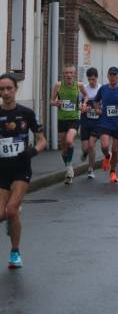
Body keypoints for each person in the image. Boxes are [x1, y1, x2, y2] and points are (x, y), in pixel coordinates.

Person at [0, 74, 47, 268]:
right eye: (2, 89)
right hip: (2, 169)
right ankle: (12, 215)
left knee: (10, 209)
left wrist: (31, 152)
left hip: (21, 169)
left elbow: (42, 140)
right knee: (3, 214)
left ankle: (14, 253)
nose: (5, 93)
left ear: (16, 89)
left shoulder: (26, 113)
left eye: (9, 88)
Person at [93, 67, 118, 183]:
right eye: (110, 75)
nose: (112, 77)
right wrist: (97, 109)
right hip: (105, 123)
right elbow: (95, 101)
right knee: (105, 146)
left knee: (115, 150)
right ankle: (106, 156)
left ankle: (113, 172)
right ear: (107, 76)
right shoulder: (103, 89)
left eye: (115, 75)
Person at [50, 65, 88, 185]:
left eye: (71, 73)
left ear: (74, 74)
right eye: (66, 73)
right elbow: (51, 101)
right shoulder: (58, 85)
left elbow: (86, 95)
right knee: (63, 150)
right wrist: (56, 103)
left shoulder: (79, 85)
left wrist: (83, 103)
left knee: (69, 140)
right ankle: (69, 168)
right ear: (63, 74)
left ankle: (69, 168)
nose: (68, 75)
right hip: (62, 120)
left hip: (74, 119)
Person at [80, 67, 101, 179]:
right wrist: (82, 108)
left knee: (91, 145)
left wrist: (99, 110)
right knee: (85, 148)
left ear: (97, 77)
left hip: (97, 122)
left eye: (93, 79)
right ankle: (85, 153)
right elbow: (79, 104)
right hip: (85, 120)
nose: (91, 82)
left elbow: (104, 105)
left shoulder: (101, 89)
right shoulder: (84, 89)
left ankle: (91, 169)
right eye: (89, 79)